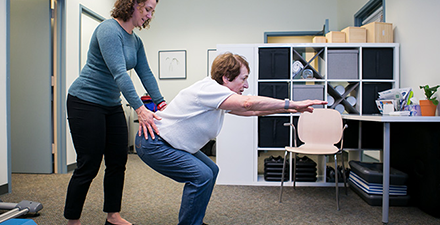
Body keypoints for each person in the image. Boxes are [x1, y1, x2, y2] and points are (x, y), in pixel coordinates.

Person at [135, 52, 327, 225]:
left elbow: (251, 111)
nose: (246, 85)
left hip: (174, 144)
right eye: (243, 79)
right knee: (201, 176)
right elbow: (248, 103)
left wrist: (291, 109)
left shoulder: (219, 95)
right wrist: (291, 103)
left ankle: (194, 221)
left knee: (211, 170)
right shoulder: (209, 89)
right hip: (155, 143)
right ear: (226, 77)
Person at [64, 0, 165, 224]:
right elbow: (120, 73)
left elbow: (145, 73)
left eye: (152, 11)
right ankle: (73, 220)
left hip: (111, 104)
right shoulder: (108, 30)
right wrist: (140, 109)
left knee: (118, 161)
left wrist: (161, 103)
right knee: (88, 164)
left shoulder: (136, 41)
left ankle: (113, 215)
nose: (150, 15)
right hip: (85, 101)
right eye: (147, 9)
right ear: (133, 4)